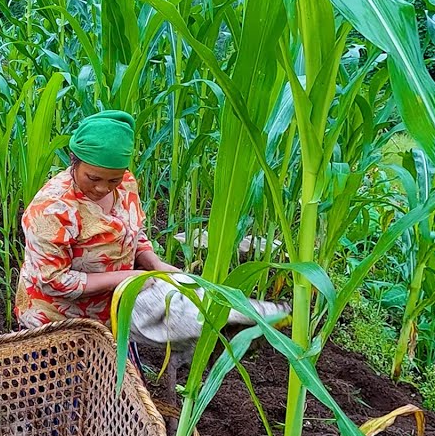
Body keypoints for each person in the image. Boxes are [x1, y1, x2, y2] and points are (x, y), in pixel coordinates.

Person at [14, 110, 287, 372]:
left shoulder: (126, 184)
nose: (102, 187)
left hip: (115, 310)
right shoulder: (51, 210)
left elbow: (133, 232)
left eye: (113, 179)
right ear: (74, 161)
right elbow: (52, 281)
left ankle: (245, 319)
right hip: (60, 321)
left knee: (115, 391)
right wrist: (129, 277)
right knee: (66, 400)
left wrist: (155, 263)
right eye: (93, 177)